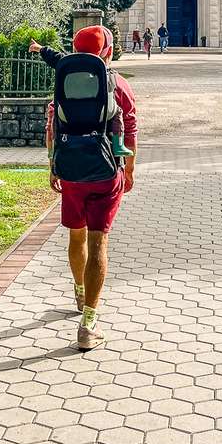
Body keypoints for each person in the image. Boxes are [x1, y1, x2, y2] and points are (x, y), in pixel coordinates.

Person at [29, 26, 136, 351]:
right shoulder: (117, 83)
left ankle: (78, 290)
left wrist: (52, 166)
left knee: (76, 235)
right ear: (106, 52)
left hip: (70, 170)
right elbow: (130, 125)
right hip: (105, 171)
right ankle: (88, 324)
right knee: (98, 241)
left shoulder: (65, 78)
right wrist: (129, 169)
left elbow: (53, 123)